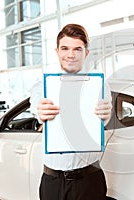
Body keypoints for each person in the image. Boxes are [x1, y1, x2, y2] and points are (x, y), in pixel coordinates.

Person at [29, 23, 112, 200]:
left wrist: (106, 113)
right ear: (57, 51)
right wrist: (40, 111)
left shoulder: (99, 85)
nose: (71, 55)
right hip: (53, 182)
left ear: (86, 53)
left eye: (77, 49)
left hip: (89, 180)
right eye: (65, 48)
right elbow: (36, 104)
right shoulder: (42, 86)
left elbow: (104, 117)